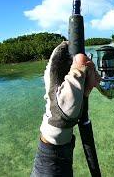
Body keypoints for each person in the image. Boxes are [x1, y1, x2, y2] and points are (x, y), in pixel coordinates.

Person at [31, 41, 101, 177]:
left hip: (56, 157)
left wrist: (84, 94)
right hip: (51, 162)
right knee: (60, 117)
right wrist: (61, 118)